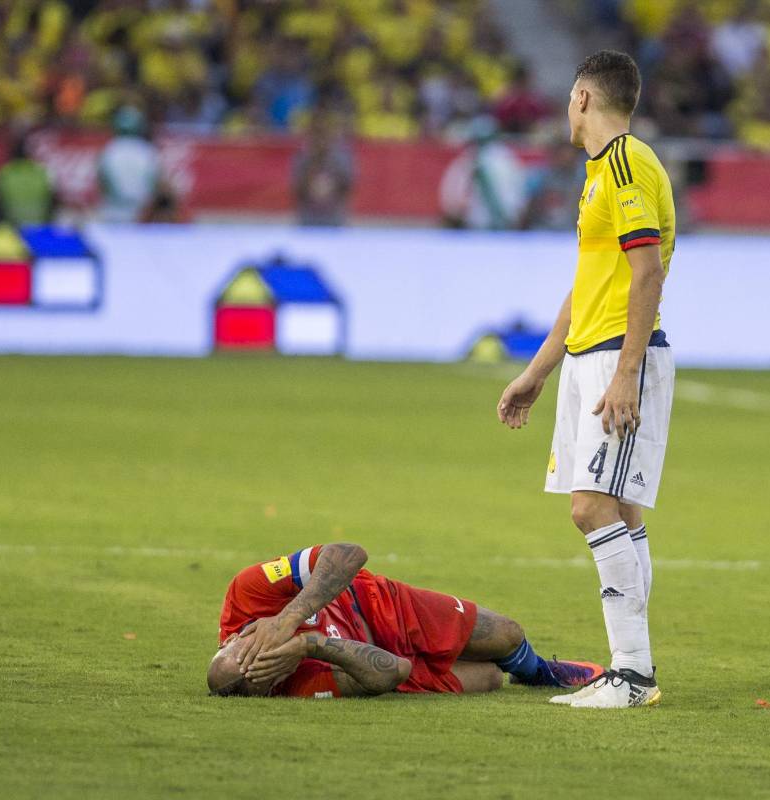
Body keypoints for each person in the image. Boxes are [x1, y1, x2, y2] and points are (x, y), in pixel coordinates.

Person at [496, 50, 675, 709]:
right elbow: (586, 285)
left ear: (581, 99)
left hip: (617, 358)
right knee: (618, 511)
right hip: (587, 355)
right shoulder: (600, 172)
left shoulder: (626, 162)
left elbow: (646, 271)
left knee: (589, 507)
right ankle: (629, 671)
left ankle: (633, 674)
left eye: (566, 105)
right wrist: (537, 372)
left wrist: (625, 374)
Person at [208, 542, 603, 699]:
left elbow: (347, 552)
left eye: (250, 647)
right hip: (369, 655)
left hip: (374, 603)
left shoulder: (246, 593)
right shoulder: (295, 686)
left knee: (506, 634)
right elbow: (394, 670)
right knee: (489, 679)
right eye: (264, 667)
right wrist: (308, 645)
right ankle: (517, 672)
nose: (264, 652)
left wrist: (287, 617)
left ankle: (538, 671)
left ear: (231, 639)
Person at [97, 106, 161, 223]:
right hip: (141, 211)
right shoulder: (147, 151)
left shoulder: (109, 150)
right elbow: (154, 183)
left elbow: (103, 181)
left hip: (113, 210)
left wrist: (119, 200)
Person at [0, 134, 54, 226]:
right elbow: (51, 197)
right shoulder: (40, 172)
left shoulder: (5, 173)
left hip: (13, 223)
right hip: (39, 222)